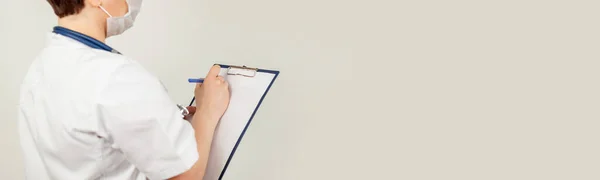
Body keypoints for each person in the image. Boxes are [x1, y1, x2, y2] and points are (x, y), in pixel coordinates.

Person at [18, 0, 230, 179]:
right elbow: (185, 176)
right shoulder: (117, 76)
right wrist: (207, 111)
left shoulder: (40, 66)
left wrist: (164, 122)